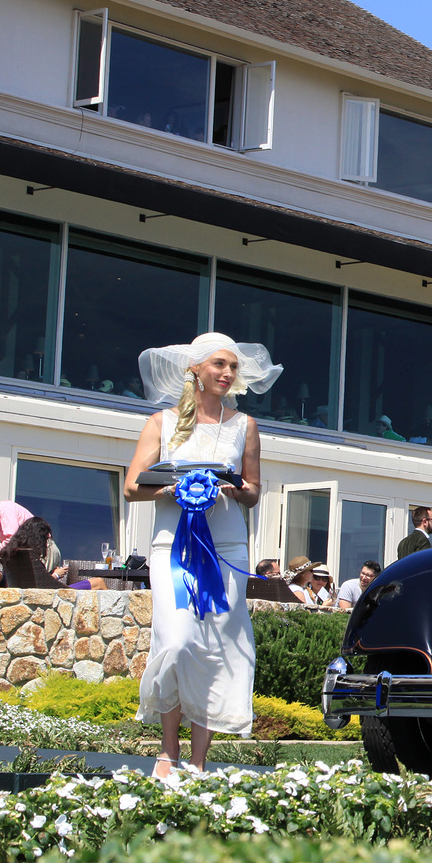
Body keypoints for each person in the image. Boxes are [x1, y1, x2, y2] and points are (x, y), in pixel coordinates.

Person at [125, 331, 281, 779]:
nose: (228, 373)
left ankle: (197, 761)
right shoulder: (161, 423)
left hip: (226, 547)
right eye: (218, 364)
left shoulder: (245, 426)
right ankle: (167, 748)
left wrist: (238, 488)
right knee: (176, 642)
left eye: (232, 367)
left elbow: (253, 493)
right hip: (172, 547)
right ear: (195, 369)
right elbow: (133, 486)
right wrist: (173, 488)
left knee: (213, 647)